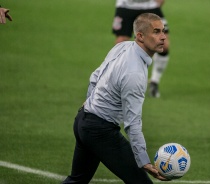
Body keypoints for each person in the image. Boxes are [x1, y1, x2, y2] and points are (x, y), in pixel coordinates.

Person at [62, 13, 168, 184]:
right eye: (156, 32)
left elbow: (95, 76)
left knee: (77, 180)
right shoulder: (134, 75)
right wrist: (144, 161)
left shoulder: (123, 46)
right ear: (140, 36)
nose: (163, 37)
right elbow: (132, 123)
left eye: (163, 31)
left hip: (83, 120)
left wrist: (90, 100)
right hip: (100, 131)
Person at [112, 0, 170, 98]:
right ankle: (115, 83)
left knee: (164, 45)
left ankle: (154, 82)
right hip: (126, 6)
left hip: (150, 6)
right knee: (120, 44)